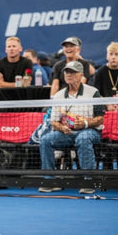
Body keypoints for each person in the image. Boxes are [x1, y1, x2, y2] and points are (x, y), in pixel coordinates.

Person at [38, 61, 104, 195]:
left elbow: (100, 118)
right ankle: (49, 180)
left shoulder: (93, 92)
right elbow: (54, 121)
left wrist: (85, 123)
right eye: (67, 72)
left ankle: (88, 181)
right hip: (67, 133)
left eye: (72, 72)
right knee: (45, 140)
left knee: (83, 138)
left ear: (81, 75)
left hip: (90, 131)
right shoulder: (58, 95)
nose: (69, 75)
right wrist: (62, 128)